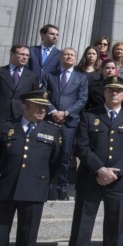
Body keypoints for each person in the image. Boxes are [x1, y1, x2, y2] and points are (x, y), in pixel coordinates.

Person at [64, 76, 123, 246]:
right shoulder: (89, 116)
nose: (114, 93)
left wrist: (114, 172)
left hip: (118, 182)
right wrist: (99, 169)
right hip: (91, 179)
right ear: (104, 92)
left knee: (115, 231)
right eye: (110, 90)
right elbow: (81, 146)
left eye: (118, 91)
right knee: (82, 228)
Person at [0, 90, 62, 246]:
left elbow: (54, 162)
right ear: (25, 107)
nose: (43, 110)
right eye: (38, 106)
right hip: (5, 188)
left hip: (34, 190)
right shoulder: (5, 127)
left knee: (27, 239)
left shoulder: (53, 131)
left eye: (45, 107)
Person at [0, 45, 38, 197]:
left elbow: (31, 99)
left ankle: (7, 185)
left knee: (13, 153)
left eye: (27, 55)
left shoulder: (31, 76)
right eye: (21, 54)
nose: (25, 57)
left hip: (18, 120)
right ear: (12, 54)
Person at [42, 48, 89, 200]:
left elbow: (82, 100)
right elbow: (43, 95)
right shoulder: (50, 76)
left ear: (76, 59)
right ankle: (46, 186)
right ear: (60, 57)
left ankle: (61, 187)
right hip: (50, 121)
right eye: (66, 54)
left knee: (65, 156)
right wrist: (53, 111)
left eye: (72, 55)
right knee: (48, 154)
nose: (69, 57)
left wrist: (66, 113)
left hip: (69, 123)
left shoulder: (81, 78)